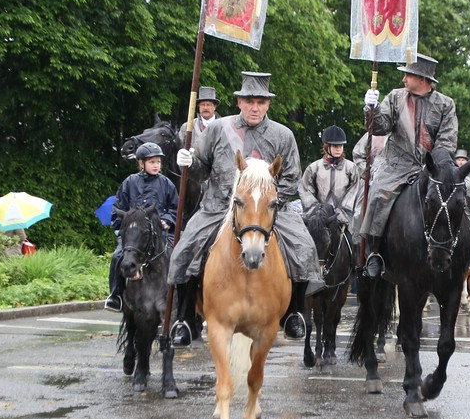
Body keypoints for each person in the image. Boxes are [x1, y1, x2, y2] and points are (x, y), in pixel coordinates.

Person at [172, 72, 324, 344]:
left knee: (304, 246)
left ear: (268, 105)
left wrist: (270, 201)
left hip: (267, 211)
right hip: (218, 207)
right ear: (239, 102)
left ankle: (295, 313)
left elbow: (291, 177)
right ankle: (184, 317)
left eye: (261, 102)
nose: (255, 107)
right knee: (185, 248)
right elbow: (201, 170)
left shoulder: (283, 134)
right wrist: (187, 162)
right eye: (250, 101)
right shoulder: (218, 130)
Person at [357, 54, 458, 278]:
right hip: (396, 164)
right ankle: (375, 252)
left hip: (432, 166)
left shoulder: (445, 105)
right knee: (377, 194)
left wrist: (435, 166)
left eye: (407, 74)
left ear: (421, 78)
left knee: (468, 191)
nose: (403, 79)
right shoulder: (394, 98)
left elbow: (447, 141)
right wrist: (370, 108)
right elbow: (379, 128)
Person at [104, 141, 178, 312]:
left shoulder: (166, 183)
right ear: (141, 163)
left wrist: (166, 219)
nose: (156, 165)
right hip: (135, 235)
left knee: (177, 256)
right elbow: (118, 208)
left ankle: (180, 302)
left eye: (158, 162)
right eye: (152, 162)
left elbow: (175, 208)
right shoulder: (129, 182)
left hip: (160, 233)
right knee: (117, 256)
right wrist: (125, 224)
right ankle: (115, 296)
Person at [300, 125, 358, 228]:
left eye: (341, 146)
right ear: (327, 146)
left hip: (343, 218)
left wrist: (342, 212)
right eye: (335, 146)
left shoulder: (351, 168)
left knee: (356, 241)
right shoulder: (313, 168)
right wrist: (317, 212)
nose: (339, 149)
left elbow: (354, 191)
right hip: (317, 218)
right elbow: (306, 191)